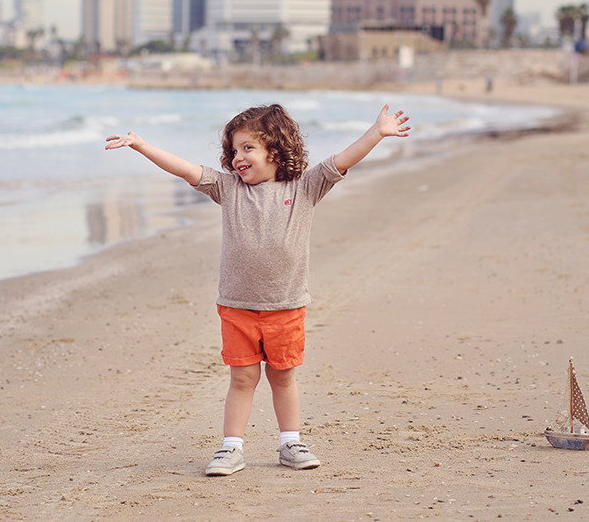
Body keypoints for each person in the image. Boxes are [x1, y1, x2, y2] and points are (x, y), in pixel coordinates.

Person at [104, 103, 410, 476]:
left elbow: (343, 159)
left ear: (276, 149)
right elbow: (184, 169)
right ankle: (231, 448)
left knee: (283, 377)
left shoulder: (305, 187)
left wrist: (377, 132)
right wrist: (141, 145)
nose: (238, 158)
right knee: (243, 378)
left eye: (248, 148)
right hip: (237, 306)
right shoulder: (228, 188)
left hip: (286, 305)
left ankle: (290, 442)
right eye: (233, 150)